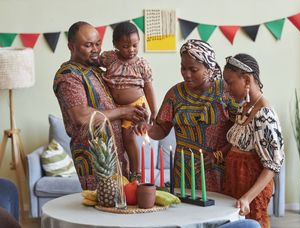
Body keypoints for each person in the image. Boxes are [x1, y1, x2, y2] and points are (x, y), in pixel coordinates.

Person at [53, 21, 147, 190]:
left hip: (115, 157)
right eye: (88, 45)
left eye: (97, 44)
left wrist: (138, 113)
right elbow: (81, 117)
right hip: (94, 162)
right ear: (71, 46)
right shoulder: (68, 76)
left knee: (123, 212)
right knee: (102, 213)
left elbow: (123, 96)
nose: (95, 49)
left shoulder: (97, 70)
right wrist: (124, 111)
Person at [138, 39, 237, 192]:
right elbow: (161, 129)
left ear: (208, 68)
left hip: (218, 169)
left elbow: (241, 131)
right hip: (183, 172)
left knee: (218, 212)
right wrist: (147, 129)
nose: (187, 74)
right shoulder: (175, 94)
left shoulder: (226, 91)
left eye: (193, 69)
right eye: (183, 68)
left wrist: (218, 156)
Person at [222, 53, 285, 228]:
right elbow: (238, 143)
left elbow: (273, 165)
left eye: (230, 83)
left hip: (250, 191)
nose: (226, 89)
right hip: (235, 184)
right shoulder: (245, 106)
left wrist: (247, 197)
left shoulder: (264, 114)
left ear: (247, 80)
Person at [99, 21, 157, 181]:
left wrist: (154, 110)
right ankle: (116, 173)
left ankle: (136, 172)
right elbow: (93, 63)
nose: (131, 50)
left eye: (134, 45)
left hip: (135, 106)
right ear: (115, 44)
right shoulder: (109, 58)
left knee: (128, 137)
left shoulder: (142, 64)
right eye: (125, 46)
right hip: (113, 106)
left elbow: (149, 88)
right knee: (115, 140)